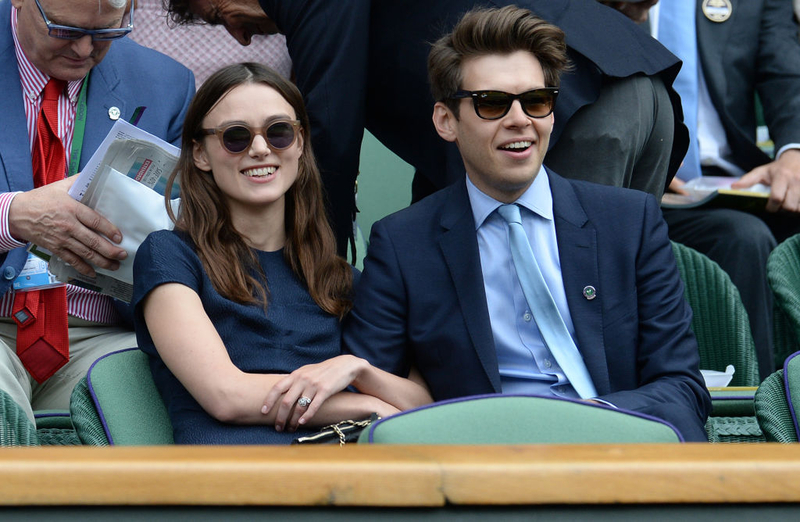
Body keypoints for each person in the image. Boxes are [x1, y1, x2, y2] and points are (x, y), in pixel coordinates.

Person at [342, 6, 711, 442]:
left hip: (618, 454)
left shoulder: (629, 222)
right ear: (446, 121)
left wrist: (594, 418)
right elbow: (370, 391)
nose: (520, 120)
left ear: (552, 113)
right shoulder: (403, 244)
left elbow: (683, 388)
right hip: (485, 470)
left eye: (536, 101)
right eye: (492, 104)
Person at [163, 0, 687, 260]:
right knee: (610, 293)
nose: (238, 34)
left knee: (572, 311)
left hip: (569, 100)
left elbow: (329, 139)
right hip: (636, 83)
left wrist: (311, 271)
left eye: (215, 11)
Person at [132, 63, 432, 444]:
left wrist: (358, 372)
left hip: (343, 472)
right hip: (232, 477)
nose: (260, 149)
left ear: (300, 142)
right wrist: (361, 406)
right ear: (200, 153)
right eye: (235, 137)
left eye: (279, 133)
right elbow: (226, 396)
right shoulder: (168, 256)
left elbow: (424, 404)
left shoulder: (338, 278)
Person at [0, 0, 194, 426]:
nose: (86, 50)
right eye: (65, 29)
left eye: (108, 32)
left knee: (148, 402)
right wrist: (11, 216)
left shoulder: (165, 85)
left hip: (104, 330)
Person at [654, 0, 800, 378]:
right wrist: (645, 153)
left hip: (735, 180)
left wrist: (793, 153)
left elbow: (785, 73)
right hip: (641, 182)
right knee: (742, 237)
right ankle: (757, 406)